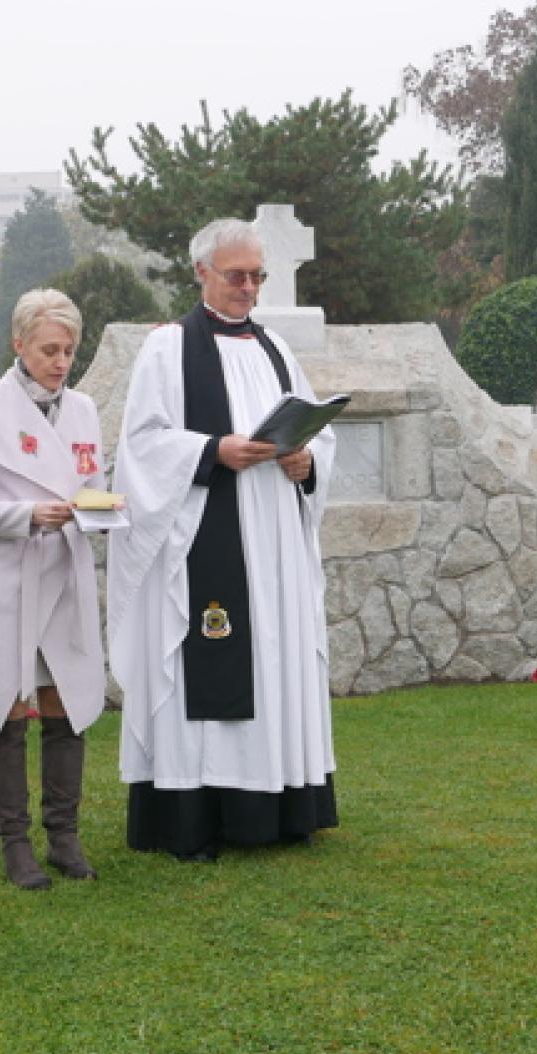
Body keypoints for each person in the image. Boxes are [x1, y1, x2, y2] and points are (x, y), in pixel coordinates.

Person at [107, 218, 338, 862]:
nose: (248, 288)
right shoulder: (168, 348)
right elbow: (142, 446)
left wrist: (306, 462)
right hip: (204, 535)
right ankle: (194, 818)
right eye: (236, 275)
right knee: (209, 660)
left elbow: (314, 427)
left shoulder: (275, 351)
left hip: (274, 543)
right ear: (202, 273)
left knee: (273, 659)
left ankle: (277, 807)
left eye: (256, 276)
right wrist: (214, 449)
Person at [0, 289, 112, 889]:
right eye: (48, 350)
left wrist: (101, 508)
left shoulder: (85, 409)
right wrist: (28, 516)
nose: (60, 361)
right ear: (19, 345)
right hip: (5, 579)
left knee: (67, 705)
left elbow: (92, 483)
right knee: (7, 709)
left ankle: (64, 836)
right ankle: (15, 844)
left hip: (63, 573)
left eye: (69, 350)